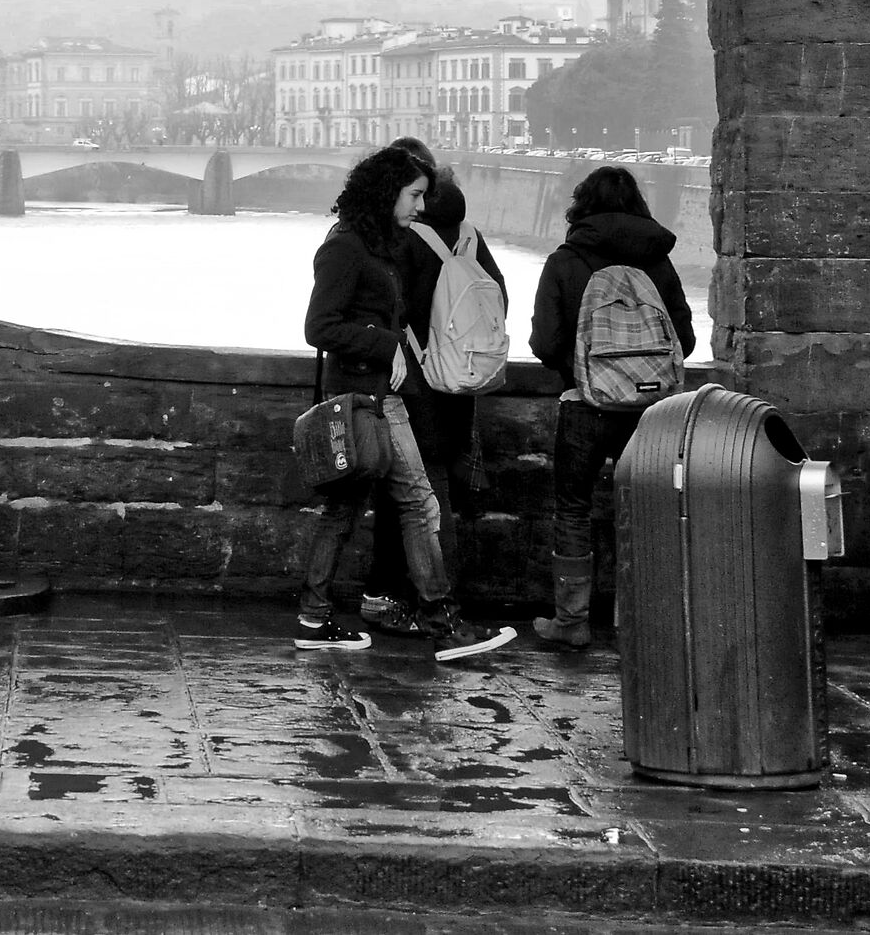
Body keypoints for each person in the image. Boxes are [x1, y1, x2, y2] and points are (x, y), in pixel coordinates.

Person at [297, 147, 514, 661]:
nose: (420, 205)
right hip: (360, 396)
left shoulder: (381, 245)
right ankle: (443, 623)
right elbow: (318, 327)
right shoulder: (345, 248)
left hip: (381, 393)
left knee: (348, 508)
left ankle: (314, 616)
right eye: (414, 194)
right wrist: (385, 343)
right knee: (416, 502)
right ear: (386, 190)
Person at [526, 165, 697, 649]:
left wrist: (582, 369)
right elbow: (683, 338)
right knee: (643, 510)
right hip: (650, 413)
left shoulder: (565, 261)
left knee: (574, 509)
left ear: (582, 205)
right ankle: (638, 619)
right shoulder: (658, 264)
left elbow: (545, 340)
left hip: (583, 404)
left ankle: (572, 621)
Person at [348, 164, 506, 637]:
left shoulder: (409, 241)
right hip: (463, 384)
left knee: (424, 498)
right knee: (438, 495)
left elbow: (398, 310)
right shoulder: (472, 238)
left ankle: (434, 603)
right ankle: (434, 602)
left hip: (417, 383)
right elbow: (498, 302)